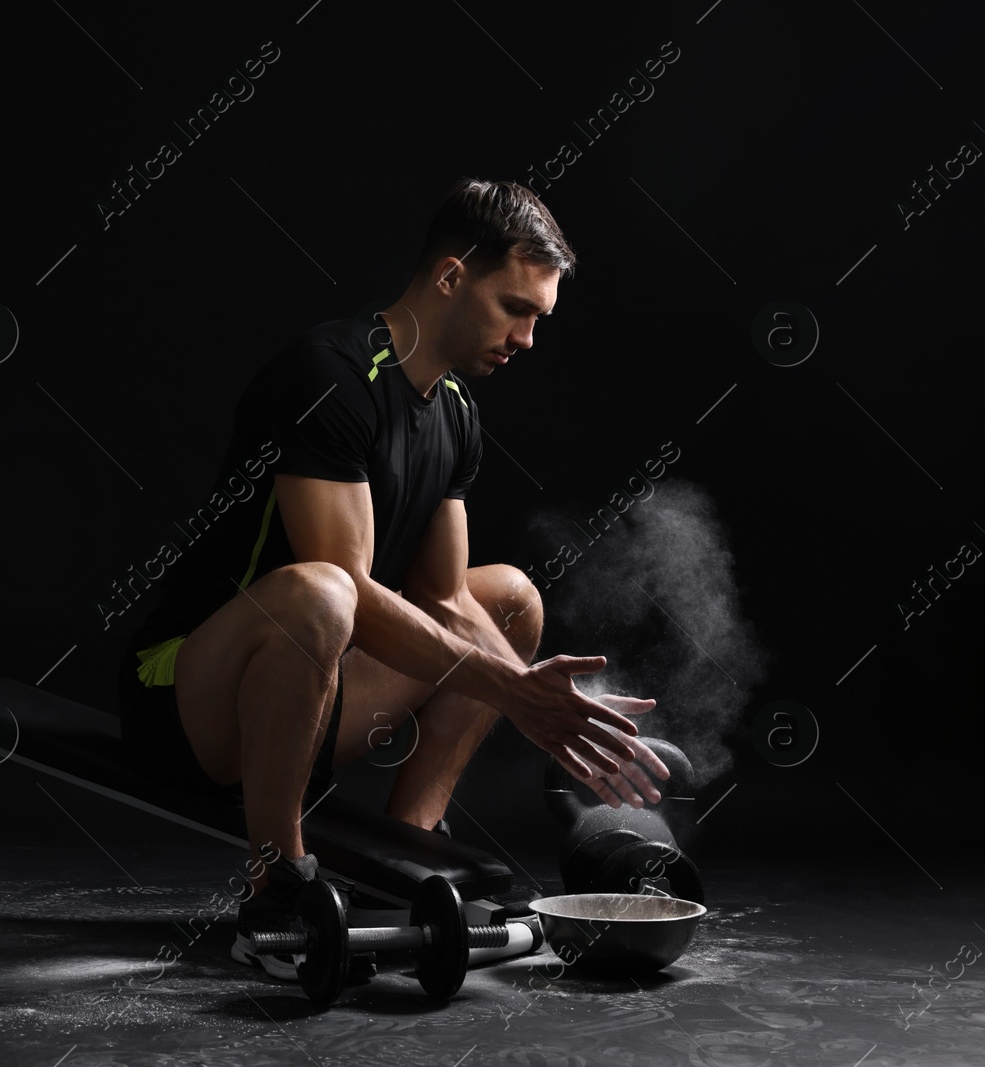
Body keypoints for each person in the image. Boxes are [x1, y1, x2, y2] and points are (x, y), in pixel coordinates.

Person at [116, 177, 671, 980]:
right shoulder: (328, 376)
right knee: (322, 590)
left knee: (510, 595)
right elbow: (346, 587)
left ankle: (407, 852)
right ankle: (276, 885)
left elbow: (445, 598)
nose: (525, 336)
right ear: (450, 277)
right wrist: (514, 692)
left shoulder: (454, 412)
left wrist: (540, 696)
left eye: (538, 318)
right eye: (515, 306)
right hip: (188, 702)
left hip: (312, 693)